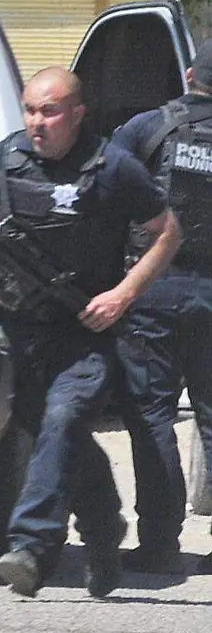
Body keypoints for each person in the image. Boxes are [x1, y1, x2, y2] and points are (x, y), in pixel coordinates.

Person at [0, 67, 179, 598]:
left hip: (87, 330)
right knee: (58, 435)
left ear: (77, 113)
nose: (37, 122)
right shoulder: (7, 158)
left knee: (64, 416)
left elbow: (167, 233)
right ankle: (104, 530)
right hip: (24, 329)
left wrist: (124, 293)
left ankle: (30, 547)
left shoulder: (114, 166)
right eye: (31, 110)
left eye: (49, 111)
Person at [109, 44, 212, 575]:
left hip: (154, 292)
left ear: (189, 76)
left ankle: (159, 544)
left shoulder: (148, 128)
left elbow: (100, 192)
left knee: (151, 417)